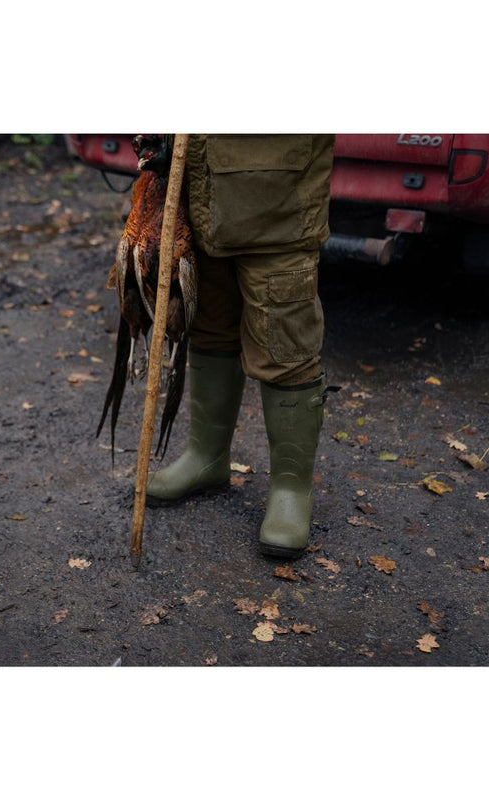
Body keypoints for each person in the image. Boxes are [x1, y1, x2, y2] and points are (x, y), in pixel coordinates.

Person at [145, 134, 335, 559]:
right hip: (200, 194)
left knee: (286, 349)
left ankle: (290, 488)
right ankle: (207, 457)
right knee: (210, 328)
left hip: (279, 204)